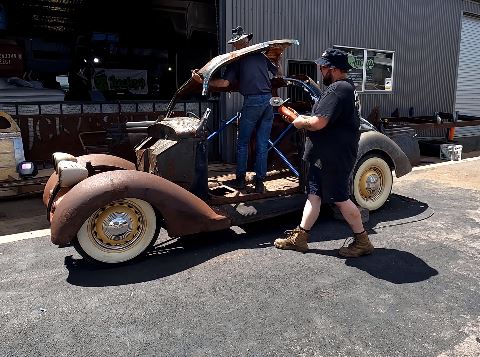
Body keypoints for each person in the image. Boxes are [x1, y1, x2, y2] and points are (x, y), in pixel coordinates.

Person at [273, 48, 374, 258]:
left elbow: (319, 122)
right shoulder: (347, 88)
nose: (320, 70)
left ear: (334, 69)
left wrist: (300, 121)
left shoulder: (338, 89)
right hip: (326, 154)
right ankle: (301, 237)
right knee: (314, 195)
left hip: (333, 156)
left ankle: (363, 240)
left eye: (323, 66)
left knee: (340, 198)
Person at [192, 26, 280, 193]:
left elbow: (225, 84)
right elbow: (278, 73)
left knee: (243, 143)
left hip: (253, 101)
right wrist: (278, 59)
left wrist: (202, 81)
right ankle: (259, 182)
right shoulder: (261, 56)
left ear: (240, 43)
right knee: (262, 144)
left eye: (236, 43)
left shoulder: (237, 60)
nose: (235, 46)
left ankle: (240, 180)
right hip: (268, 101)